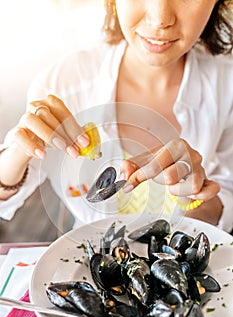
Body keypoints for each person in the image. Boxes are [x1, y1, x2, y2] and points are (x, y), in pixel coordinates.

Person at [0, 0, 232, 232]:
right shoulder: (63, 84)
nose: (160, 19)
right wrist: (20, 151)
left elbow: (226, 197)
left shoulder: (227, 85)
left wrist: (190, 199)